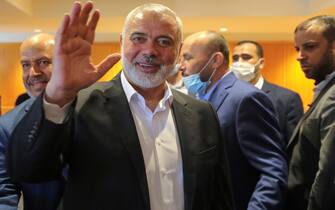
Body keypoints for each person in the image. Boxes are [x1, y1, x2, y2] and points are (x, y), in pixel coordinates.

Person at [7, 2, 233, 210]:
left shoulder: (202, 113)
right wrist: (58, 94)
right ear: (121, 41)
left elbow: (219, 196)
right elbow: (28, 169)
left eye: (164, 41)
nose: (150, 51)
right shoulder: (80, 106)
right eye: (138, 38)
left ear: (178, 50)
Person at [180, 30, 287, 210]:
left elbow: (272, 169)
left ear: (215, 60)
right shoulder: (198, 98)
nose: (180, 66)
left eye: (187, 58)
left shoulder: (246, 98)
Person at [0, 33, 64, 210]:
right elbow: (4, 193)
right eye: (25, 65)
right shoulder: (7, 125)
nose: (33, 73)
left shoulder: (95, 108)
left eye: (43, 62)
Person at [287, 15, 335, 210]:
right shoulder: (325, 87)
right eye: (298, 49)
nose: (300, 56)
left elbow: (328, 174)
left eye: (310, 47)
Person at [231, 40, 304, 144]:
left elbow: (294, 145)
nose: (239, 62)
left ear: (261, 63)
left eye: (246, 57)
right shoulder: (225, 95)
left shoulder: (287, 99)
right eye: (235, 58)